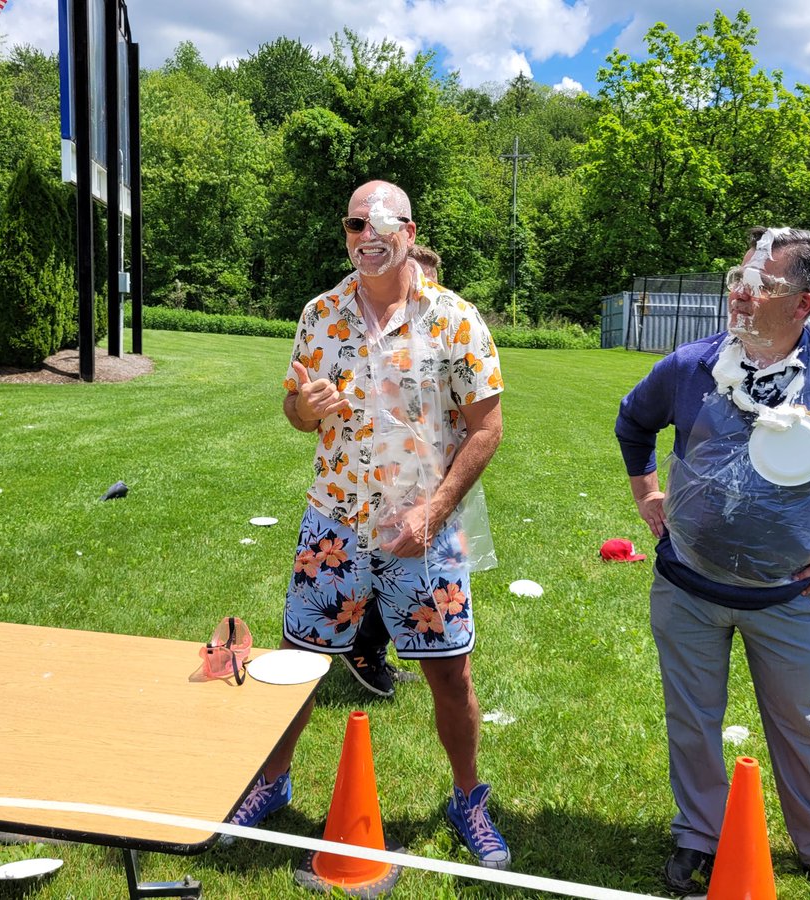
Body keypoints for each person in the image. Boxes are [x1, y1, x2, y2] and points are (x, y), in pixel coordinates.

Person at [615, 227, 810, 900]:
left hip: (787, 599)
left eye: (765, 285)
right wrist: (647, 494)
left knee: (800, 724)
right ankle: (700, 835)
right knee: (692, 717)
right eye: (738, 280)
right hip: (686, 586)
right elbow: (633, 421)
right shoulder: (691, 367)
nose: (744, 296)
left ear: (804, 304)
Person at [226, 181, 510, 868]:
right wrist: (306, 407)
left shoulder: (456, 320)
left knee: (450, 676)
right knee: (297, 665)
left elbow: (488, 428)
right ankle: (271, 782)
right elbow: (293, 410)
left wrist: (431, 512)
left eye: (383, 222)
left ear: (411, 232)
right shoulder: (320, 315)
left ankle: (468, 798)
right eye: (356, 222)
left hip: (425, 531)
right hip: (333, 524)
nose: (367, 234)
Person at [339, 242, 441, 698]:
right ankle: (364, 647)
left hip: (431, 482)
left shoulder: (442, 322)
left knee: (420, 569)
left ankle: (374, 647)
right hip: (386, 485)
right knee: (392, 565)